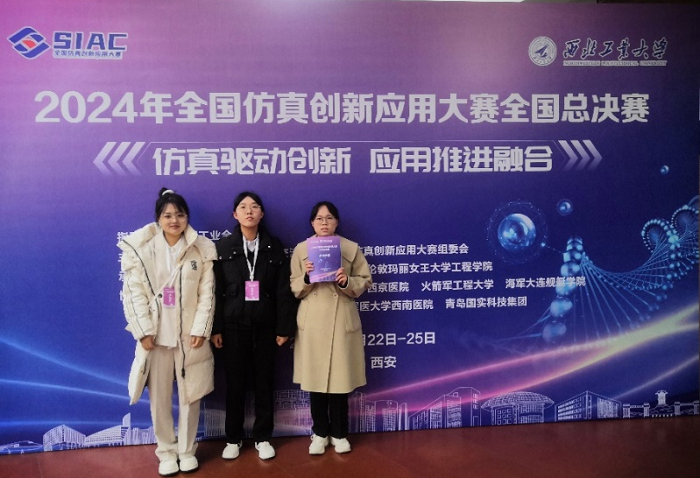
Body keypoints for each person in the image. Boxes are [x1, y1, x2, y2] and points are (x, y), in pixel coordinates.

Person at [119, 188, 216, 476]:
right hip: (157, 337)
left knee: (191, 395)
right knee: (159, 398)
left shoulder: (201, 248)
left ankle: (186, 451)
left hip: (190, 336)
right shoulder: (143, 249)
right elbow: (133, 292)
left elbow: (207, 293)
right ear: (158, 219)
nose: (175, 220)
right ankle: (166, 451)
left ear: (187, 217)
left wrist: (201, 328)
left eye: (180, 215)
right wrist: (143, 331)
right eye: (168, 215)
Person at [211, 192, 297, 461]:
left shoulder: (274, 246)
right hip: (233, 327)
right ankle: (233, 438)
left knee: (264, 382)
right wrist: (216, 328)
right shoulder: (223, 247)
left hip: (265, 326)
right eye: (243, 207)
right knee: (235, 384)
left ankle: (263, 437)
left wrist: (283, 329)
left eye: (255, 207)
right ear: (235, 214)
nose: (249, 211)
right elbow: (215, 291)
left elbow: (283, 290)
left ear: (262, 214)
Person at [290, 201, 372, 455]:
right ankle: (319, 433)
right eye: (319, 218)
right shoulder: (302, 249)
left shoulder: (350, 248)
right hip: (313, 320)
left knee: (340, 381)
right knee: (315, 381)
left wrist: (347, 281)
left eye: (329, 218)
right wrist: (306, 278)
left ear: (337, 222)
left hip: (340, 319)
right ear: (312, 223)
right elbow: (294, 286)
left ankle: (339, 433)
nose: (324, 222)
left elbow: (365, 280)